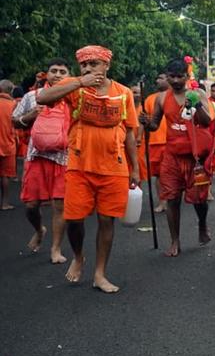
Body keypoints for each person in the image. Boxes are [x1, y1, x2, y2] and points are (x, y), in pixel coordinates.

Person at [37, 46, 140, 293]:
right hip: (79, 166)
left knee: (107, 221)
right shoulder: (76, 86)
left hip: (114, 166)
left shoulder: (123, 93)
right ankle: (79, 256)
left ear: (106, 66)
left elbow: (129, 133)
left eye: (94, 64)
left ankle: (100, 274)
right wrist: (79, 82)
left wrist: (135, 168)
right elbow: (43, 98)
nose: (89, 68)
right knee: (73, 219)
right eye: (84, 64)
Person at [140, 59, 212, 256]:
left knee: (199, 200)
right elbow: (155, 124)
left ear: (187, 77)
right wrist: (146, 122)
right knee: (172, 199)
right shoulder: (162, 98)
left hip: (194, 157)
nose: (176, 80)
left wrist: (196, 106)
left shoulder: (197, 94)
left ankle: (203, 224)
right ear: (167, 76)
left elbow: (206, 123)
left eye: (180, 76)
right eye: (172, 76)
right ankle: (175, 241)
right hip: (171, 157)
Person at [13, 59, 73, 262]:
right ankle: (39, 230)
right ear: (46, 74)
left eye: (62, 72)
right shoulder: (32, 97)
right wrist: (30, 115)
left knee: (60, 207)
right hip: (35, 157)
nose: (57, 74)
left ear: (69, 76)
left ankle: (55, 249)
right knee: (31, 206)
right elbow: (14, 120)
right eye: (53, 71)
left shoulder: (74, 98)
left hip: (63, 159)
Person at [143, 72, 169, 213]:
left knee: (172, 174)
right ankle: (162, 201)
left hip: (172, 142)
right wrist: (140, 139)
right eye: (157, 78)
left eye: (161, 78)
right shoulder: (150, 99)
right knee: (158, 175)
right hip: (155, 142)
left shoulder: (175, 96)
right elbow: (145, 121)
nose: (157, 80)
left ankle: (172, 200)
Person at [0, 79, 17, 210]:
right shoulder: (14, 104)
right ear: (11, 91)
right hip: (8, 144)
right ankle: (5, 203)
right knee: (5, 175)